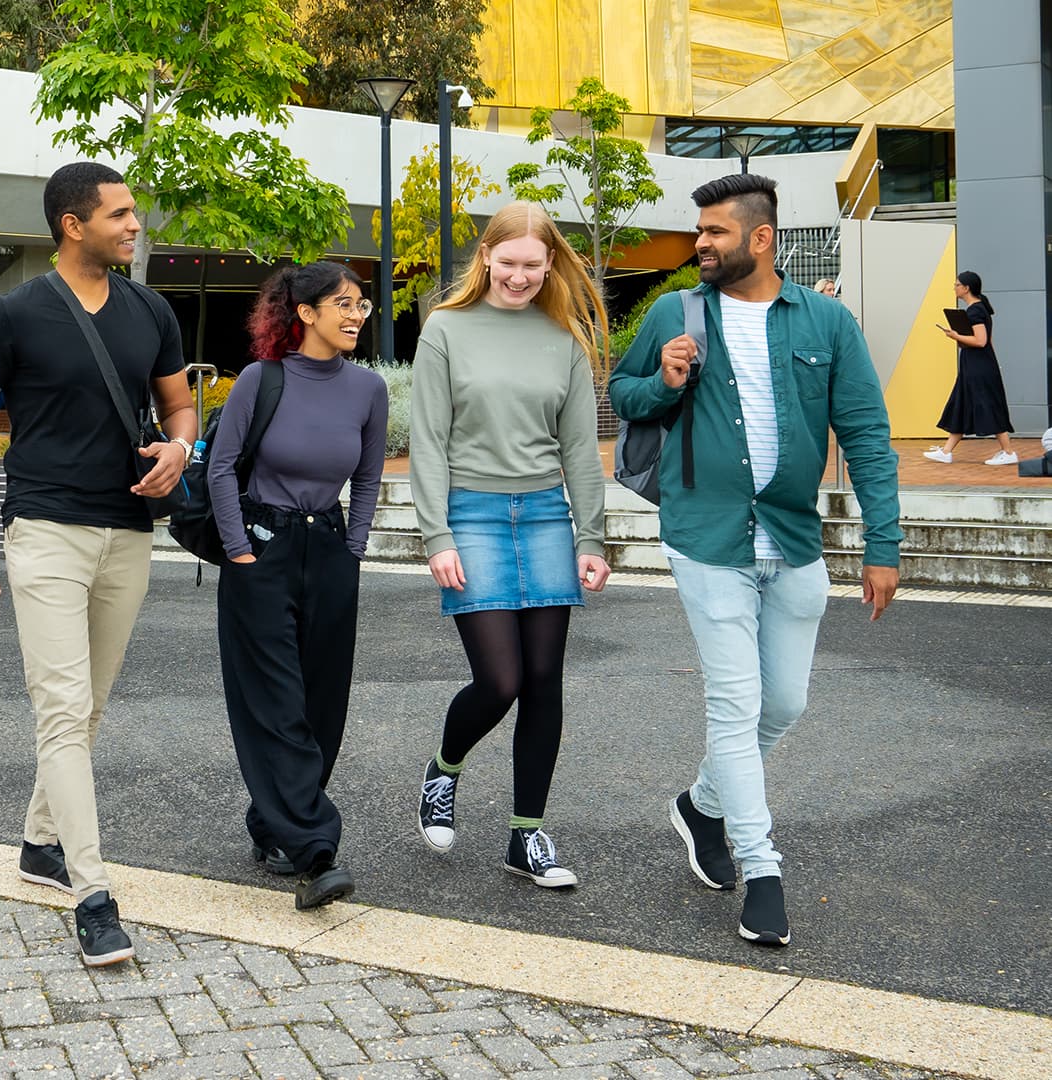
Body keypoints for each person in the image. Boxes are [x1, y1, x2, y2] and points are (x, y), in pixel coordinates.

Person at [610, 174, 901, 947]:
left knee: (786, 705)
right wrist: (665, 380)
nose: (699, 243)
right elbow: (624, 393)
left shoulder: (828, 322)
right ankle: (761, 867)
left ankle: (702, 805)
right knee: (736, 704)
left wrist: (883, 546)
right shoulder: (677, 311)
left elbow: (868, 436)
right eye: (698, 231)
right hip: (705, 538)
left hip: (794, 539)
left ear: (762, 238)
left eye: (714, 232)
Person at [0, 161, 195, 967]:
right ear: (73, 225)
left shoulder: (149, 308)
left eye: (134, 213)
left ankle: (38, 844)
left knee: (87, 706)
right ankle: (92, 894)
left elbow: (178, 401)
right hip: (45, 530)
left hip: (128, 530)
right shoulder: (16, 314)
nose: (134, 225)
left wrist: (180, 448)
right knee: (61, 705)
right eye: (119, 215)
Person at [409, 201, 611, 891]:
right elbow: (429, 442)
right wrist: (436, 533)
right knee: (501, 681)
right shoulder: (445, 329)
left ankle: (525, 838)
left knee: (544, 682)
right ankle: (445, 769)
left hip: (547, 518)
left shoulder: (565, 340)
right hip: (470, 514)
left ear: (550, 263)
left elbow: (581, 451)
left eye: (534, 264)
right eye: (509, 262)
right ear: (486, 257)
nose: (520, 276)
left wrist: (592, 536)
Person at [208, 262, 386, 910]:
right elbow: (223, 468)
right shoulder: (263, 379)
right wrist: (239, 549)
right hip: (264, 547)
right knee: (277, 700)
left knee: (322, 704)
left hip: (330, 549)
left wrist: (354, 549)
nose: (355, 316)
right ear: (304, 312)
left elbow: (366, 478)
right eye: (343, 303)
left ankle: (272, 824)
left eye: (361, 305)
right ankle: (316, 850)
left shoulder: (367, 389)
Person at [925, 271, 1017, 466]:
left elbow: (981, 341)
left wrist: (955, 335)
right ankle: (947, 451)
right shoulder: (980, 309)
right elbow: (987, 341)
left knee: (988, 404)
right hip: (976, 365)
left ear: (966, 288)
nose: (955, 287)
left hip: (978, 366)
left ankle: (1008, 452)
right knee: (962, 403)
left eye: (957, 284)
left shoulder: (975, 311)